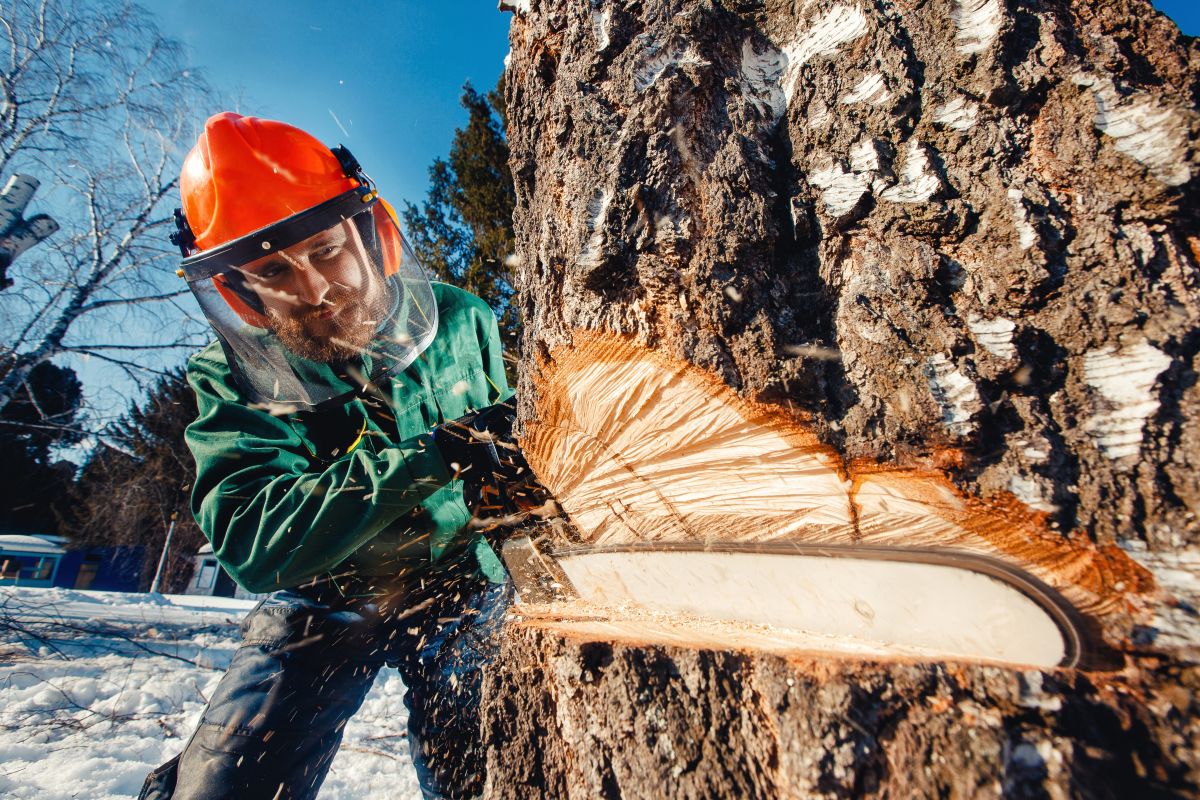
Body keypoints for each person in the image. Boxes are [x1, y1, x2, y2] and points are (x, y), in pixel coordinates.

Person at [139, 112, 532, 800]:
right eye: (272, 272)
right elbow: (252, 538)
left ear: (368, 232)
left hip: (463, 584)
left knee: (492, 764)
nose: (314, 289)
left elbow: (511, 465)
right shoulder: (231, 375)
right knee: (226, 782)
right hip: (324, 591)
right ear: (237, 291)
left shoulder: (462, 318)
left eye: (324, 250)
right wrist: (433, 456)